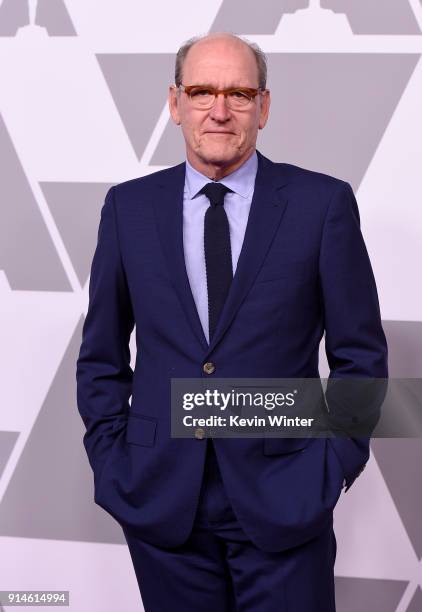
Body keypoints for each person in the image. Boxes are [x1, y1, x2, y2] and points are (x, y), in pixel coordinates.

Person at [76, 32, 388, 611]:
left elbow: (361, 358)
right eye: (201, 92)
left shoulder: (322, 205)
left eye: (239, 93)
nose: (219, 110)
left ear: (264, 107)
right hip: (161, 501)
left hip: (284, 501)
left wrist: (331, 470)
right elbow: (102, 356)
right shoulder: (128, 208)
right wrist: (113, 459)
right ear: (175, 103)